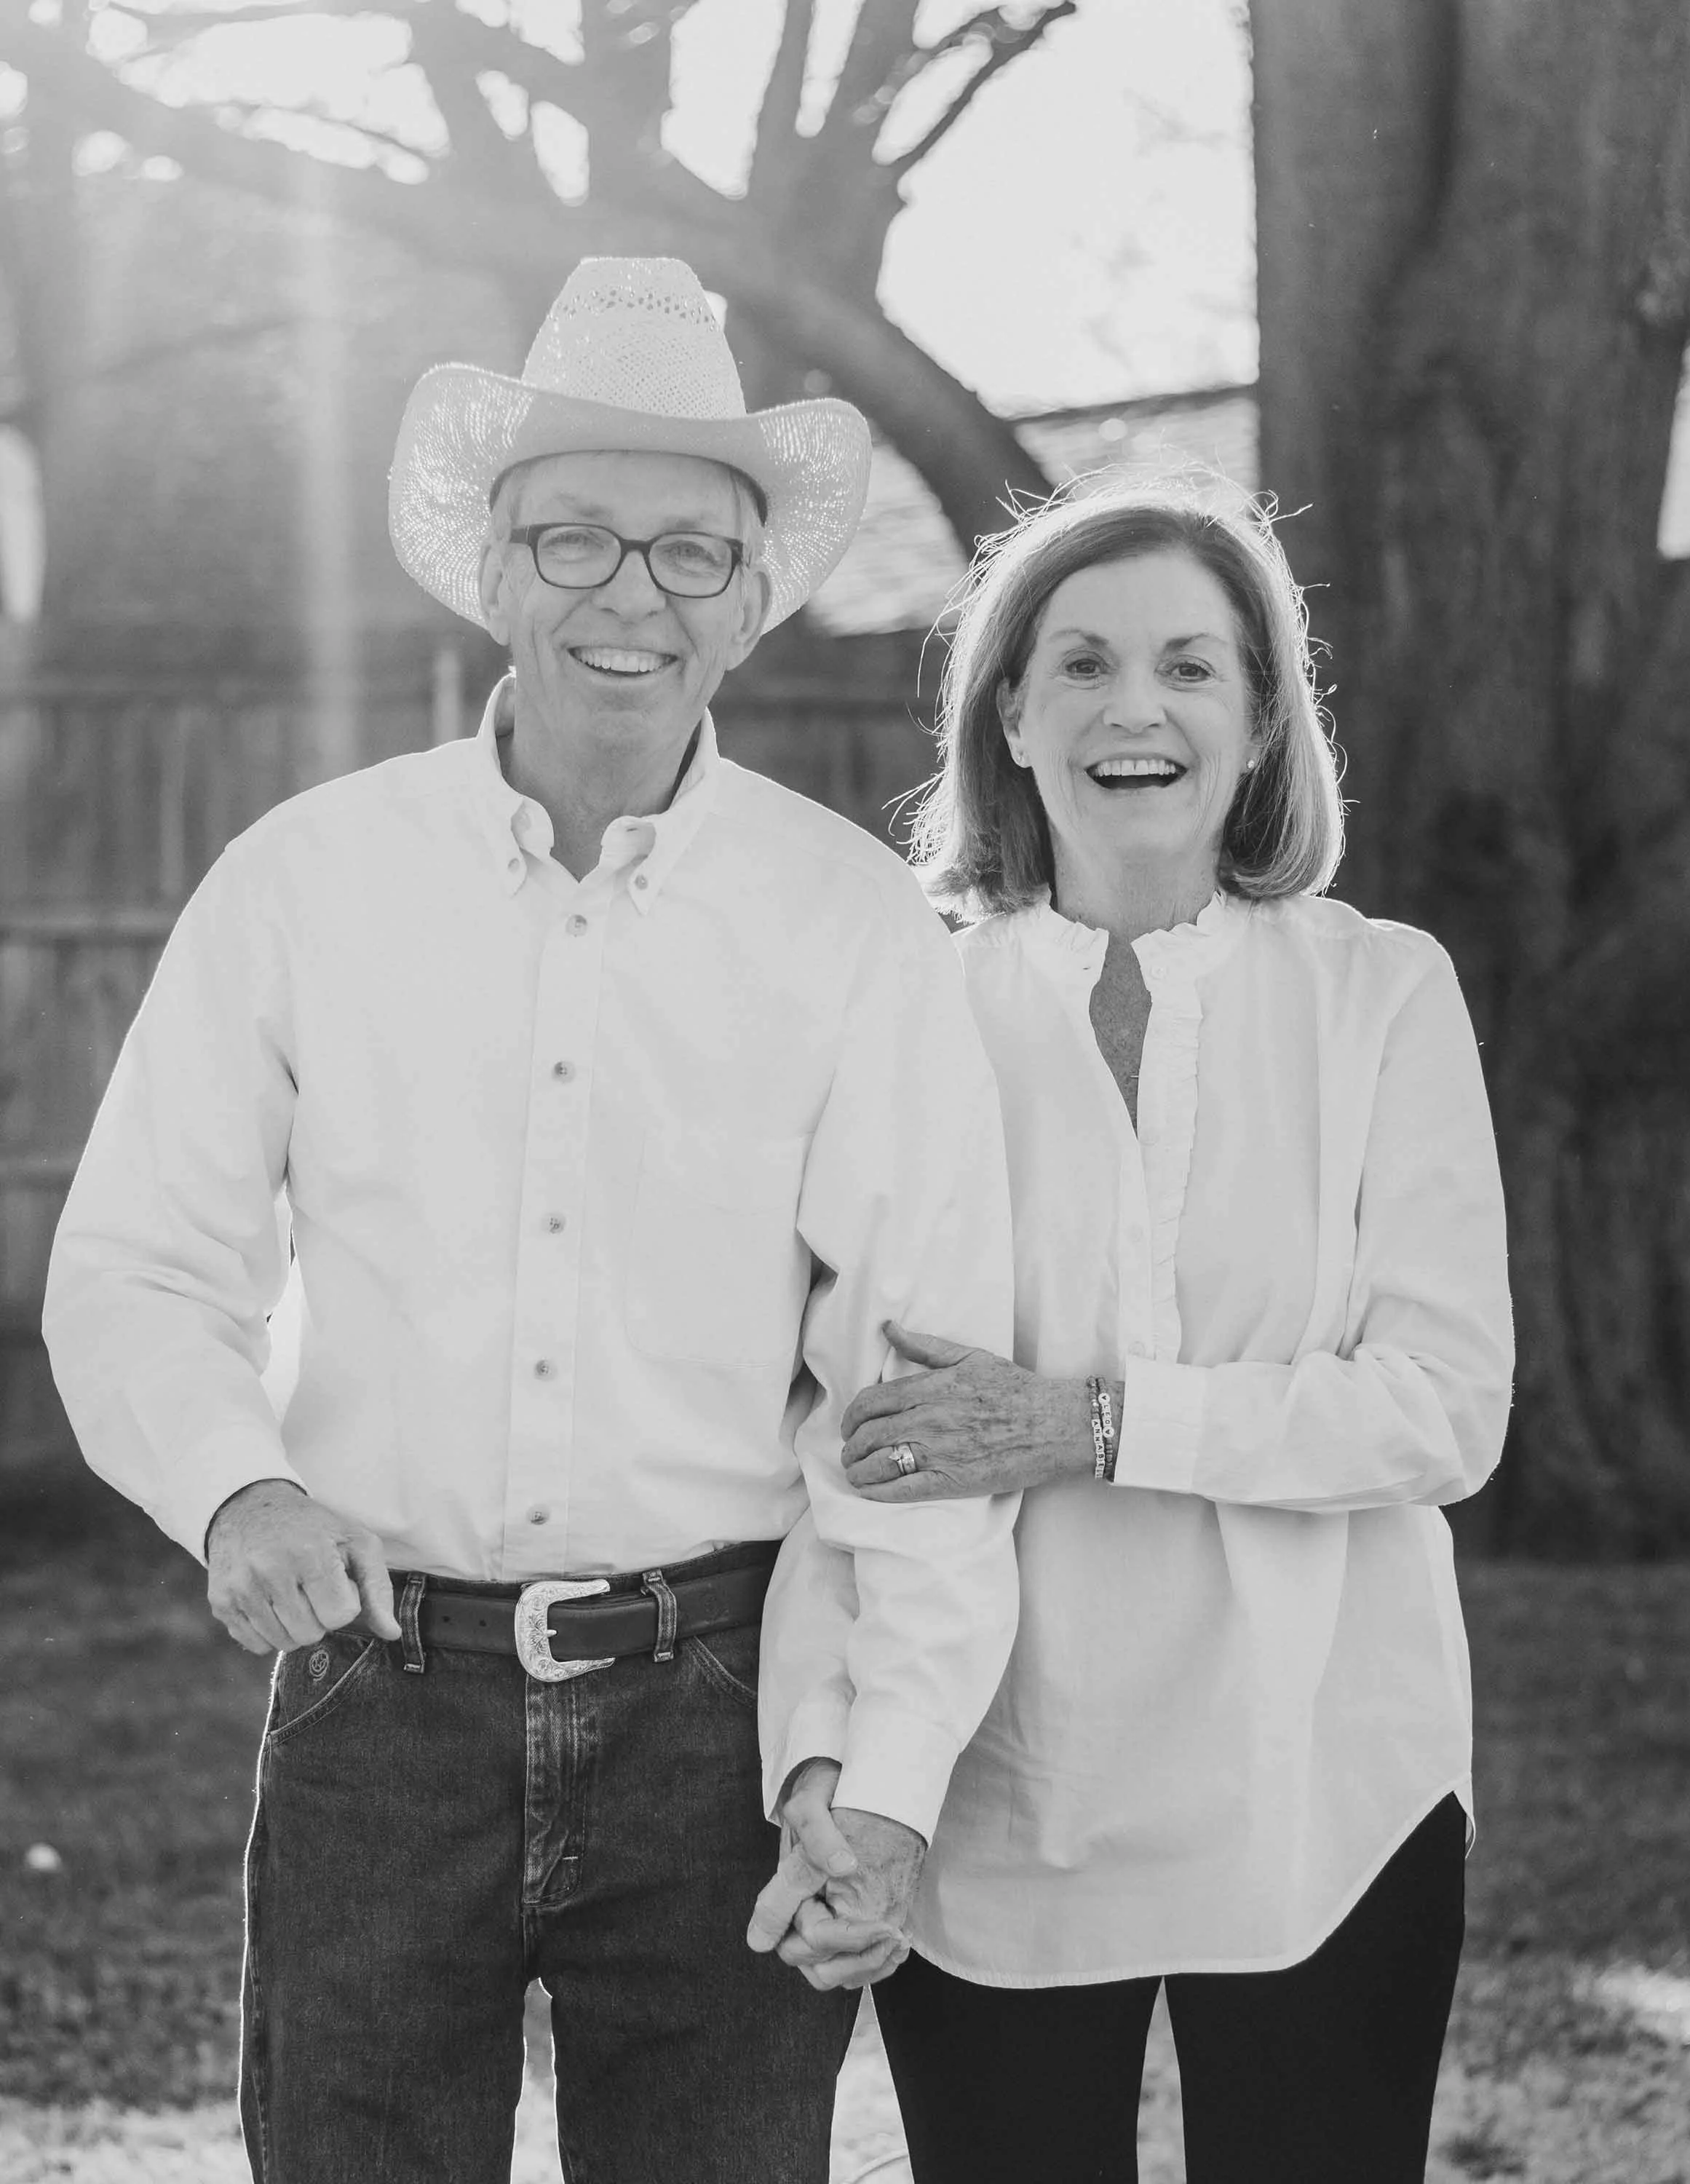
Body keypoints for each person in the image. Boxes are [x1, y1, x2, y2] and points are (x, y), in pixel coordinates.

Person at [41, 256, 1021, 2184]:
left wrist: (882, 1775)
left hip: (728, 1720)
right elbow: (140, 1270)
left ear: (752, 599)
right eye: (573, 537)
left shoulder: (845, 930)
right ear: (490, 569)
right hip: (375, 1705)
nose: (626, 595)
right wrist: (236, 1490)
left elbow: (914, 1397)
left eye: (685, 553)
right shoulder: (306, 886)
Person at [751, 483, 1515, 2183]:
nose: (1132, 709)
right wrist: (830, 1760)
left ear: (1258, 724)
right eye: (1079, 663)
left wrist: (1088, 1425)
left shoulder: (1380, 991)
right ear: (1007, 714)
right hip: (999, 1780)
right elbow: (846, 1453)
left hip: (1325, 1777)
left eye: (1188, 665)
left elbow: (1440, 1410)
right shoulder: (902, 1015)